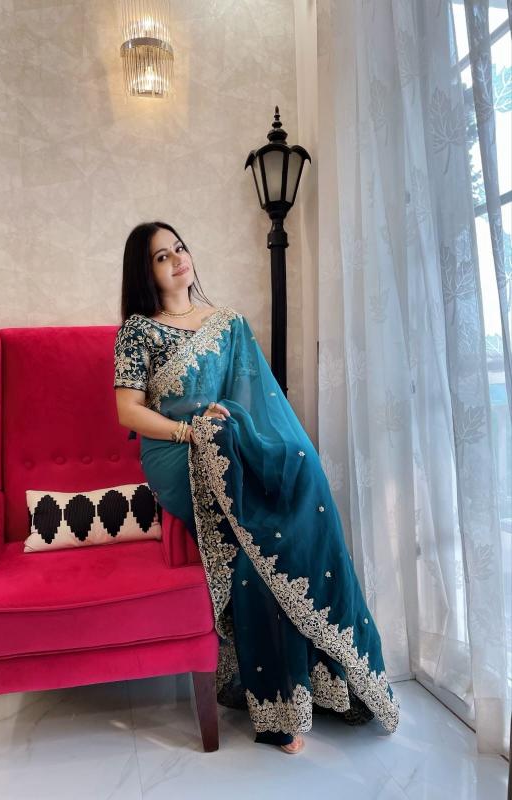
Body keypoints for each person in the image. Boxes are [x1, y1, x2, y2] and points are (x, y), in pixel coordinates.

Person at [113, 221, 400, 755]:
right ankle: (277, 710)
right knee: (255, 521)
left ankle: (320, 686)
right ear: (144, 271)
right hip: (177, 453)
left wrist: (251, 440)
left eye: (180, 247)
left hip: (230, 443)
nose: (177, 258)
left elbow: (259, 406)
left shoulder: (228, 324)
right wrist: (190, 431)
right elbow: (128, 411)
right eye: (161, 256)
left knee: (289, 488)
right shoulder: (139, 330)